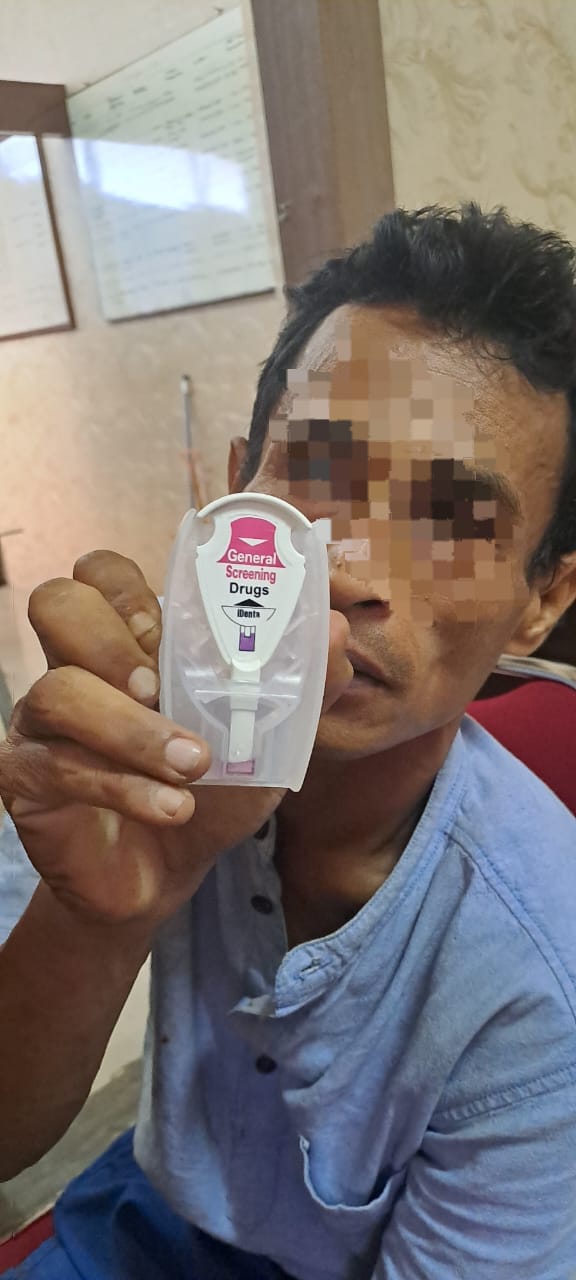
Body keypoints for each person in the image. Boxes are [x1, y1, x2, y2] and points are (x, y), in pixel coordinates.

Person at [1, 204, 576, 1280]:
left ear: (542, 599)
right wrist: (92, 920)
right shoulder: (143, 752)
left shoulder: (545, 973)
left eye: (453, 517)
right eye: (311, 471)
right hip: (137, 1212)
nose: (349, 569)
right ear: (237, 489)